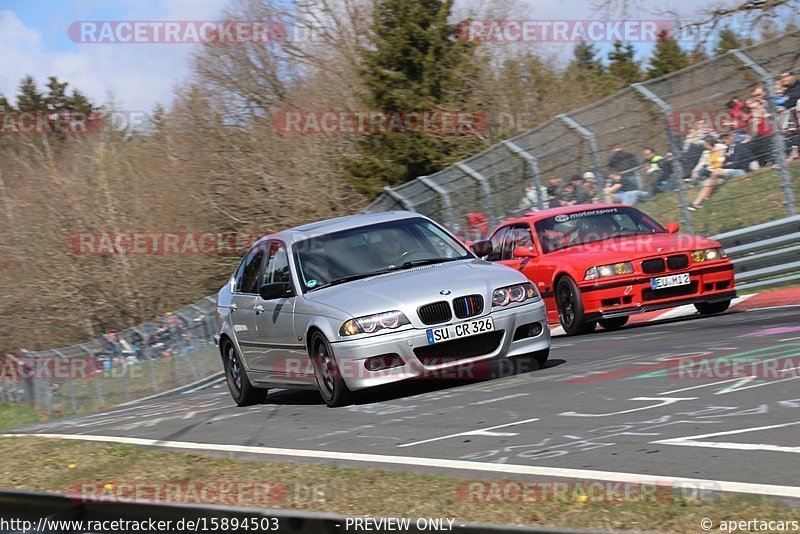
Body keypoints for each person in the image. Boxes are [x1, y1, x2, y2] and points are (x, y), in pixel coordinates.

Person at [688, 135, 727, 211]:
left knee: (708, 181)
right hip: (713, 173)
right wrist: (694, 171)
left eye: (704, 142)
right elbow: (701, 163)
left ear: (708, 142)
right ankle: (696, 204)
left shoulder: (720, 147)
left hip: (722, 171)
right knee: (706, 183)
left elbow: (727, 152)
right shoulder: (706, 153)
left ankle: (698, 202)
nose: (703, 144)